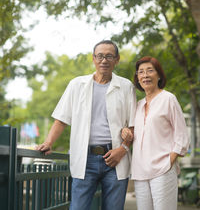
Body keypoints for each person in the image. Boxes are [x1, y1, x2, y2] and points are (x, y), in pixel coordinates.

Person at [36, 40, 137, 210]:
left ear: (117, 60)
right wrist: (49, 142)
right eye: (100, 56)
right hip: (84, 159)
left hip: (116, 159)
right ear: (93, 59)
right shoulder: (77, 85)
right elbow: (61, 119)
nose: (104, 60)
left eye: (109, 56)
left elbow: (134, 124)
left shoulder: (126, 86)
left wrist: (123, 150)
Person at [122, 56, 190, 210]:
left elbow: (182, 136)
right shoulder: (138, 106)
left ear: (159, 75)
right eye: (141, 72)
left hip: (162, 170)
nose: (145, 75)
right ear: (137, 78)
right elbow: (134, 133)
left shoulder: (168, 99)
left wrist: (169, 162)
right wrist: (125, 131)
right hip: (139, 172)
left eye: (150, 71)